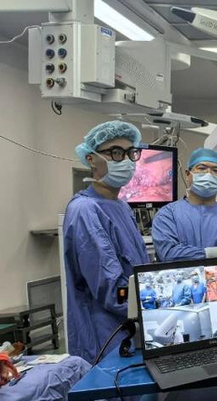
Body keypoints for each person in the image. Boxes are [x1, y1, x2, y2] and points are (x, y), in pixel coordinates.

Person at [63, 121, 150, 363]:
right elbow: (112, 290)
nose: (126, 160)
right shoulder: (85, 210)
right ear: (91, 158)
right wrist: (155, 303)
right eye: (115, 152)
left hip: (132, 326)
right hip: (107, 336)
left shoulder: (121, 206)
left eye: (131, 152)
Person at [152, 148, 217, 262]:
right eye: (201, 168)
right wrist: (214, 253)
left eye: (216, 170)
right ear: (188, 174)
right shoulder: (168, 216)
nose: (209, 174)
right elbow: (168, 254)